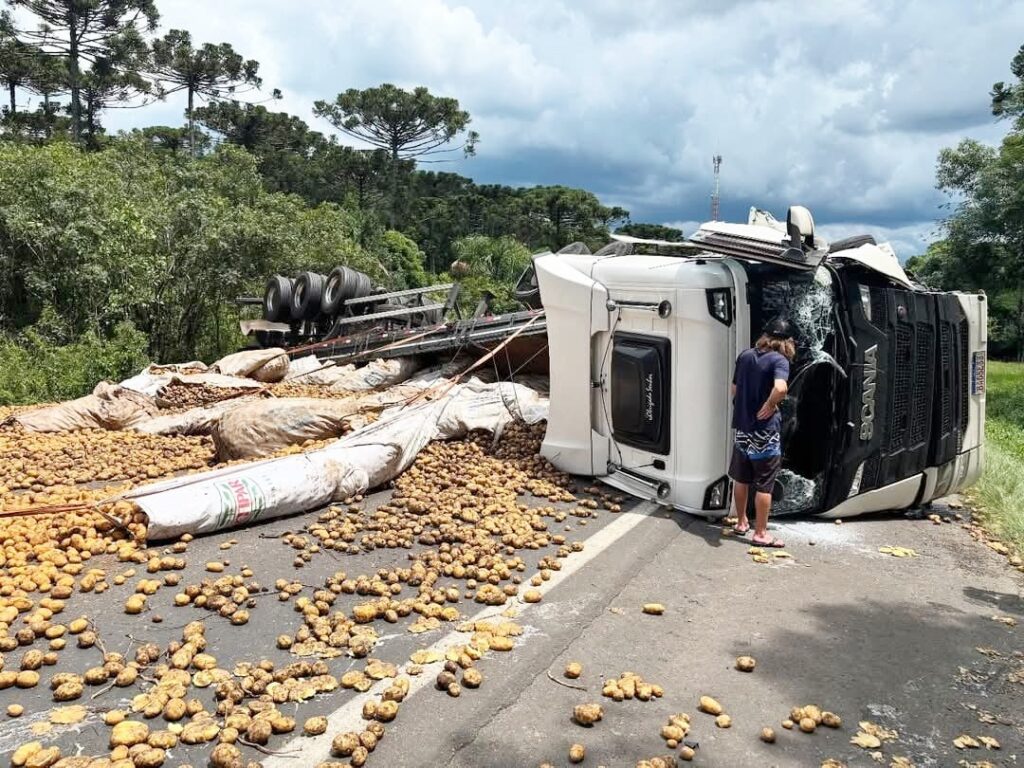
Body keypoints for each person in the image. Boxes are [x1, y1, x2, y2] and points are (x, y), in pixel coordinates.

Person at [729, 317, 796, 547]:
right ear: (787, 342)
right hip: (764, 432)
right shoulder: (780, 360)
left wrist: (745, 408)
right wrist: (769, 404)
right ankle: (760, 534)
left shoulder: (745, 355)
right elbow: (781, 387)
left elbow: (735, 390)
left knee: (741, 477)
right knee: (765, 483)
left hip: (742, 429)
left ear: (765, 337)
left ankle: (740, 523)